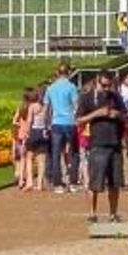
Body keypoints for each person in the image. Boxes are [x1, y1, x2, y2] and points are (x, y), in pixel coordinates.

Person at [77, 70, 128, 223]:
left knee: (115, 182)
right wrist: (96, 114)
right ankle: (92, 213)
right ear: (98, 80)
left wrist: (117, 115)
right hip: (97, 143)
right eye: (104, 85)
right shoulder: (87, 98)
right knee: (95, 182)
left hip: (115, 143)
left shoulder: (116, 97)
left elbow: (126, 116)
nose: (107, 89)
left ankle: (113, 213)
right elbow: (79, 120)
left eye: (109, 85)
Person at [45, 64, 80, 194]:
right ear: (69, 72)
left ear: (57, 72)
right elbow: (76, 105)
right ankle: (73, 182)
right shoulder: (72, 87)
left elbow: (47, 108)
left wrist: (46, 124)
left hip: (56, 122)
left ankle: (58, 184)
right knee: (73, 153)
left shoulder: (51, 88)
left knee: (56, 154)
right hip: (70, 122)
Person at [23, 86, 50, 192]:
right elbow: (48, 120)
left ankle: (29, 181)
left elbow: (29, 121)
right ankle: (39, 184)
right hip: (43, 132)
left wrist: (26, 133)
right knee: (41, 160)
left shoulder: (33, 106)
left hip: (34, 131)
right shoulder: (46, 106)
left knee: (29, 157)